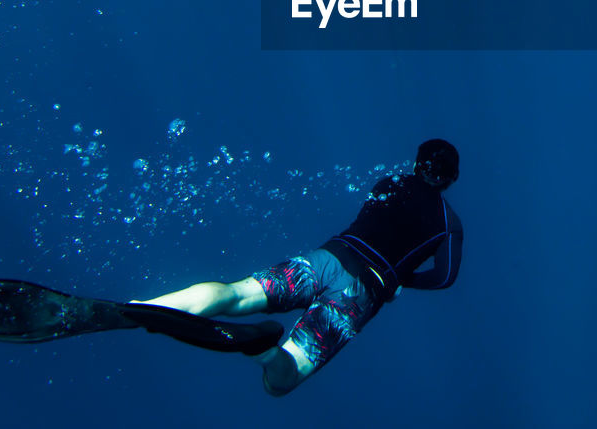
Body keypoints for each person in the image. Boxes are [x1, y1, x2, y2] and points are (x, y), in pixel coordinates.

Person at [134, 138, 463, 396]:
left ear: (418, 162)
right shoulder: (449, 223)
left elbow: (375, 226)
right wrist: (401, 278)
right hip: (360, 291)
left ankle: (146, 307)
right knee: (282, 381)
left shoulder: (388, 182)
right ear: (451, 178)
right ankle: (262, 351)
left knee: (234, 294)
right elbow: (445, 277)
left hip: (326, 258)